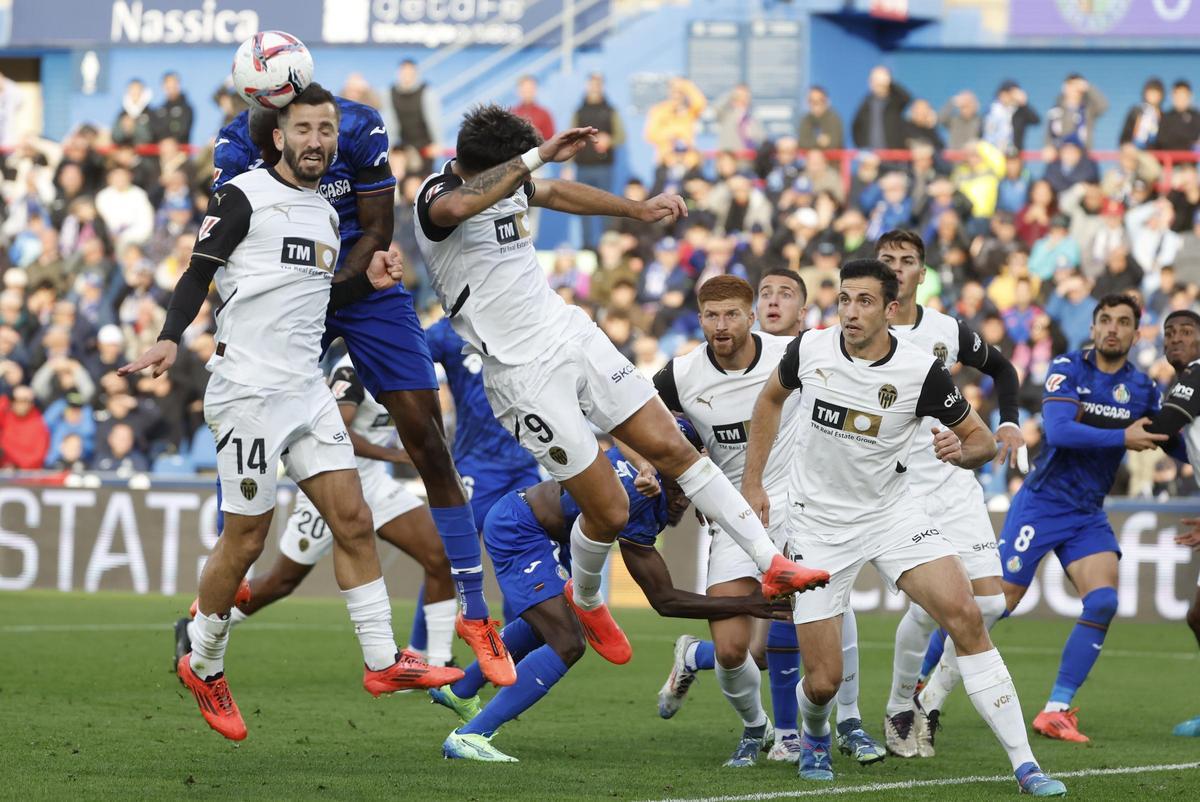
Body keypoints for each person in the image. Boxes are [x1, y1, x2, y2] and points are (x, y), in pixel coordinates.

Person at [413, 106, 829, 669]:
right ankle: (586, 601)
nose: (525, 178)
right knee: (607, 512)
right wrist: (532, 157)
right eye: (517, 166)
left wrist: (637, 210)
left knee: (674, 450)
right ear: (493, 164)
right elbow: (461, 205)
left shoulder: (514, 182)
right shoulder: (438, 196)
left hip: (569, 334)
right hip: (521, 375)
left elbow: (555, 191)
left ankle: (771, 560)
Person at [119, 83, 461, 742]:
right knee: (246, 537)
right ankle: (205, 662)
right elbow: (198, 272)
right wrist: (169, 335)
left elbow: (313, 297)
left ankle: (383, 661)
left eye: (325, 131)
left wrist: (372, 282)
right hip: (247, 392)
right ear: (279, 136)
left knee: (353, 517)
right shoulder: (241, 193)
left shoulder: (329, 217)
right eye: (303, 129)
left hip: (303, 391)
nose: (315, 141)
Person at [213, 68, 507, 682]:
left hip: (363, 285)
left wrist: (347, 278)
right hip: (291, 290)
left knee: (428, 439)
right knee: (257, 543)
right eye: (276, 107)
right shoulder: (236, 140)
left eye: (319, 121)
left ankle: (474, 615)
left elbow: (376, 227)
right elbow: (229, 238)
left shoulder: (360, 123)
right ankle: (207, 624)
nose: (313, 133)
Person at [742, 259, 1065, 795]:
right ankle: (817, 735)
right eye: (845, 299)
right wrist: (753, 484)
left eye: (864, 301)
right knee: (821, 683)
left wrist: (960, 453)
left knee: (966, 614)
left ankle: (1025, 764)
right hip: (818, 526)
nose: (850, 311)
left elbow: (981, 440)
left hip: (891, 514)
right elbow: (769, 400)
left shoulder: (921, 372)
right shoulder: (810, 349)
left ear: (891, 309)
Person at [432, 438, 788, 762]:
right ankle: (471, 735)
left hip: (544, 526)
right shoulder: (639, 502)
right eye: (679, 490)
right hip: (523, 530)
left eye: (690, 492)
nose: (683, 500)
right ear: (661, 476)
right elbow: (665, 600)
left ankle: (461, 689)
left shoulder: (661, 443)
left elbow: (641, 424)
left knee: (547, 627)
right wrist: (745, 604)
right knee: (568, 642)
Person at [652, 273, 884, 767]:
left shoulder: (791, 355)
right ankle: (754, 726)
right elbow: (630, 418)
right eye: (712, 316)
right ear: (700, 320)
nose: (722, 325)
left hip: (801, 507)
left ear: (750, 316)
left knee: (816, 616)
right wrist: (660, 471)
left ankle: (818, 730)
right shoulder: (682, 373)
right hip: (733, 516)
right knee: (734, 650)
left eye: (732, 314)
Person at [172, 354, 461, 671]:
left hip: (374, 485)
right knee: (281, 582)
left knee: (440, 554)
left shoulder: (398, 360)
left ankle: (439, 660)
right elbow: (340, 431)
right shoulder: (353, 368)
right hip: (333, 488)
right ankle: (196, 629)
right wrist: (396, 455)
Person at [875, 230, 1024, 758]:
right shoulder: (855, 332)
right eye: (887, 260)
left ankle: (928, 700)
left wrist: (1007, 425)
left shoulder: (945, 330)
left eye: (907, 260)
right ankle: (898, 706)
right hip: (899, 490)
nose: (897, 268)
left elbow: (1004, 368)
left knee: (988, 603)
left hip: (956, 482)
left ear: (922, 272)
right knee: (931, 602)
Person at [997, 294, 1163, 744]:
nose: (1113, 328)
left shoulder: (1144, 388)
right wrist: (1122, 436)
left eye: (1123, 322)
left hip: (1086, 511)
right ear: (1093, 328)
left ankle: (1055, 710)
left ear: (1135, 333)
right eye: (1105, 320)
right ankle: (920, 684)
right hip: (1042, 501)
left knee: (1104, 601)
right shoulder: (1068, 368)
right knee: (995, 605)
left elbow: (1168, 435)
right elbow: (1060, 431)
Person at [425, 315, 543, 623]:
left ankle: (516, 649)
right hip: (476, 462)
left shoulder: (517, 316)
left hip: (524, 462)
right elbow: (407, 359)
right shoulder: (446, 331)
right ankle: (422, 648)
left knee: (525, 556)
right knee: (446, 557)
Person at [1140, 310, 1200, 736]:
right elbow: (1176, 443)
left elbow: (1162, 430)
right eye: (1169, 334)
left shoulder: (1195, 376)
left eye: (1187, 332)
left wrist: (1091, 417)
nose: (1176, 339)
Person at [570, 73, 625, 250]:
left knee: (605, 207)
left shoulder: (610, 111)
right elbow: (571, 138)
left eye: (598, 84)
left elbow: (621, 136)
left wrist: (609, 140)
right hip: (582, 167)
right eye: (592, 84)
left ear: (602, 86)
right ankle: (587, 246)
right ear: (587, 86)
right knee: (583, 208)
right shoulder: (579, 111)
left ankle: (607, 247)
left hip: (604, 168)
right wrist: (568, 165)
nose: (594, 87)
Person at [389, 59, 442, 175]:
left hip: (425, 146)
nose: (406, 76)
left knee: (421, 182)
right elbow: (391, 123)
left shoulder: (427, 92)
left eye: (410, 73)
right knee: (398, 171)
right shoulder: (391, 92)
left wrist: (437, 143)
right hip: (404, 145)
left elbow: (434, 120)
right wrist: (390, 149)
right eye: (404, 73)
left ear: (416, 74)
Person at [852, 66, 912, 150]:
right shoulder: (866, 103)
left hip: (893, 155)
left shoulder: (894, 102)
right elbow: (856, 128)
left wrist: (890, 83)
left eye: (878, 81)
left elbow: (907, 98)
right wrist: (863, 149)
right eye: (873, 80)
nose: (876, 84)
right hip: (872, 157)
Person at [1119, 78, 1164, 150]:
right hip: (1134, 151)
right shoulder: (1136, 111)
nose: (1153, 95)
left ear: (1161, 95)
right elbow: (1124, 137)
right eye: (1151, 91)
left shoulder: (1164, 116)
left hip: (1155, 154)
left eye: (1156, 92)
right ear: (1145, 93)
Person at [1158, 80, 1200, 153]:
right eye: (1177, 95)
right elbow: (1162, 139)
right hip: (1167, 159)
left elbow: (1196, 137)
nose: (1180, 98)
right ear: (1172, 96)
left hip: (1189, 160)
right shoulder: (1166, 117)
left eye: (1183, 95)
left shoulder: (1196, 116)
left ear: (1190, 96)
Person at [797, 86, 844, 151]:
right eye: (812, 101)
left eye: (820, 100)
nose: (816, 104)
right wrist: (819, 141)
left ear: (826, 101)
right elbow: (801, 143)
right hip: (810, 158)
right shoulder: (805, 119)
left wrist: (811, 142)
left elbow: (834, 143)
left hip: (832, 159)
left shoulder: (833, 118)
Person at [152, 71, 194, 144]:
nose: (171, 87)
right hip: (161, 151)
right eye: (168, 84)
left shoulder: (187, 109)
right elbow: (154, 131)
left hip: (180, 151)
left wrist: (171, 142)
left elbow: (183, 131)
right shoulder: (159, 110)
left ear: (178, 85)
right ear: (163, 86)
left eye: (174, 84)